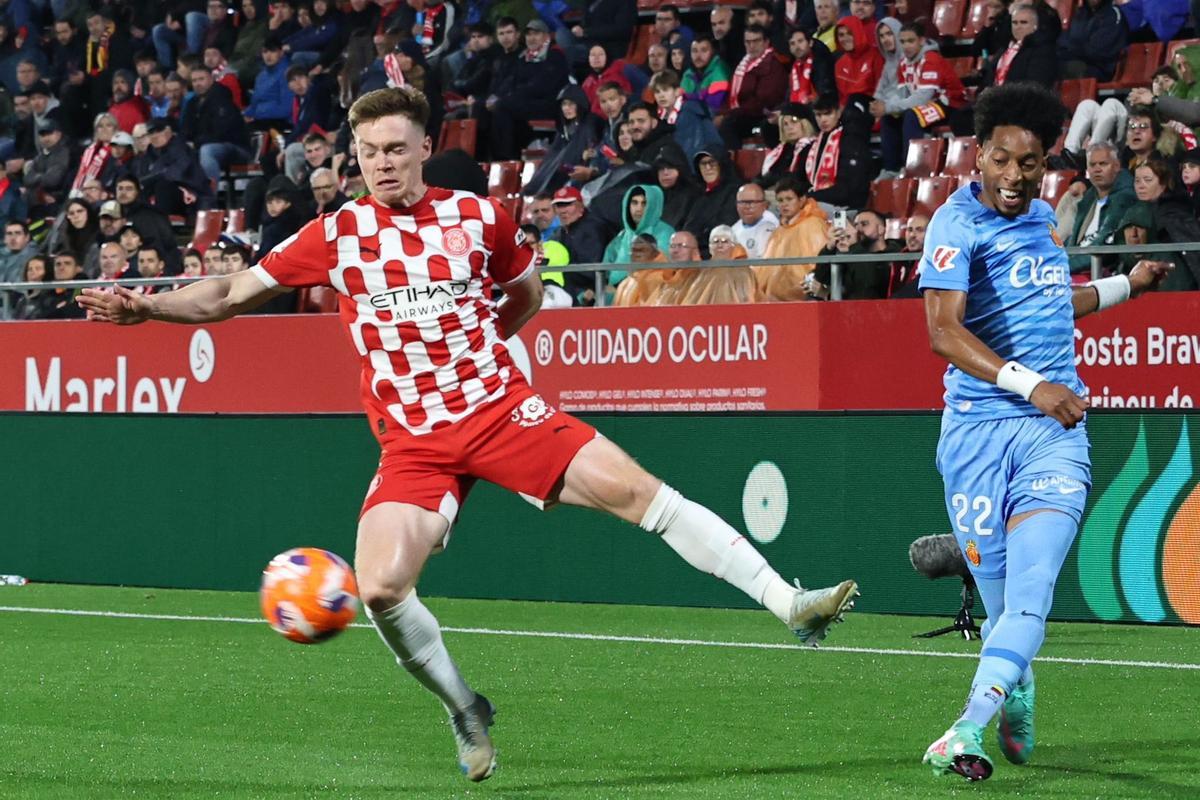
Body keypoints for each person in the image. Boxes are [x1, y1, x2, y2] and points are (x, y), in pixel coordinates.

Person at [78, 85, 858, 783]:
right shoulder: (337, 233)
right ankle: (463, 708)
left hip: (498, 411)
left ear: (424, 147)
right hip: (414, 443)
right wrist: (147, 307)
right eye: (368, 152)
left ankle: (789, 603)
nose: (382, 163)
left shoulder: (478, 218)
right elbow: (227, 294)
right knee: (379, 588)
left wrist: (481, 349)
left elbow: (525, 293)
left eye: (395, 149)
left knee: (638, 492)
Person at [916, 82, 1171, 783]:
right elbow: (942, 331)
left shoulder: (1042, 221)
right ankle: (1015, 685)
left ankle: (965, 727)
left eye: (1028, 163)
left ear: (1045, 163)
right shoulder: (955, 225)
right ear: (979, 155)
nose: (1014, 175)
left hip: (1052, 435)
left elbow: (1057, 301)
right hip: (976, 437)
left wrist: (1127, 286)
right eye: (1001, 159)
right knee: (1004, 609)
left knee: (1033, 590)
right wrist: (1033, 385)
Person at [1062, 142, 1136, 275]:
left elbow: (1103, 249)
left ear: (1117, 166)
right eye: (1092, 165)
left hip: (1101, 272)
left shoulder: (1125, 198)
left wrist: (1062, 267)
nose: (1097, 169)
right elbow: (1075, 239)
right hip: (1074, 267)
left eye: (1103, 164)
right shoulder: (1089, 197)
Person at [1131, 160, 1200, 291]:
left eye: (1147, 180)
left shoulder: (1176, 213)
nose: (1141, 186)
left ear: (1163, 184)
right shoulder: (1135, 211)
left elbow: (1193, 256)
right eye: (1137, 181)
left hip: (1175, 284)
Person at [758, 176, 828, 301]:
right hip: (773, 301)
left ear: (801, 200)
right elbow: (764, 269)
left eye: (789, 199)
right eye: (780, 200)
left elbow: (818, 269)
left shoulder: (814, 225)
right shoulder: (779, 231)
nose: (784, 204)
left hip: (804, 300)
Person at [732, 182, 779, 258]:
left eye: (752, 202)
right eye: (742, 202)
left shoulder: (772, 225)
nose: (747, 207)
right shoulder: (734, 229)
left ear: (764, 205)